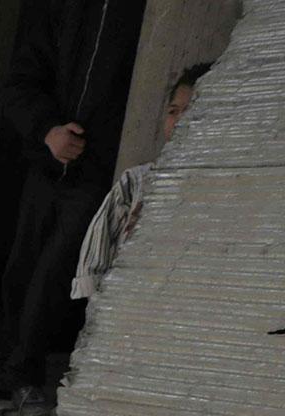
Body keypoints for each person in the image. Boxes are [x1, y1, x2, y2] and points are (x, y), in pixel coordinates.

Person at [0, 0, 148, 412]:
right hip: (47, 162)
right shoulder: (63, 10)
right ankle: (9, 370)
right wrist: (47, 131)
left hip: (98, 167)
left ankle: (24, 372)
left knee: (56, 270)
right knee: (21, 264)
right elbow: (21, 81)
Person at [72, 63, 209, 301]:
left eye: (190, 111)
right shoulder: (135, 181)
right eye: (173, 111)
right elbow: (94, 256)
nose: (178, 121)